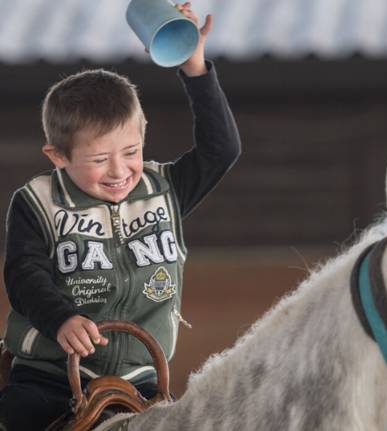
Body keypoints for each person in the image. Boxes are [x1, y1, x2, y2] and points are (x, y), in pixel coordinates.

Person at [0, 3, 240, 429]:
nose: (119, 170)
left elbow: (222, 150)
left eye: (131, 152)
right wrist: (61, 319)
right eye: (98, 159)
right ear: (57, 157)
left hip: (142, 378)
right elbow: (24, 273)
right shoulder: (37, 202)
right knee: (18, 416)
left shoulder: (163, 190)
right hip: (50, 375)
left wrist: (195, 69)